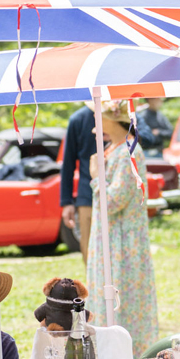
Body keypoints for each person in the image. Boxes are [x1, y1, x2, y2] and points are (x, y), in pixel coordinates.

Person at [86, 100, 159, 357]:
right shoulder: (114, 149)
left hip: (122, 243)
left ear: (111, 118)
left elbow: (113, 201)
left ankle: (128, 358)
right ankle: (109, 356)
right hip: (109, 239)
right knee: (108, 298)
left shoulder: (131, 150)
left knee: (123, 301)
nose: (95, 126)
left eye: (99, 118)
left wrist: (96, 176)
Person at [60, 103, 98, 263]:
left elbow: (148, 137)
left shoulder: (121, 114)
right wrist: (66, 201)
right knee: (89, 251)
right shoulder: (78, 119)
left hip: (118, 196)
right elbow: (67, 163)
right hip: (87, 196)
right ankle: (94, 287)